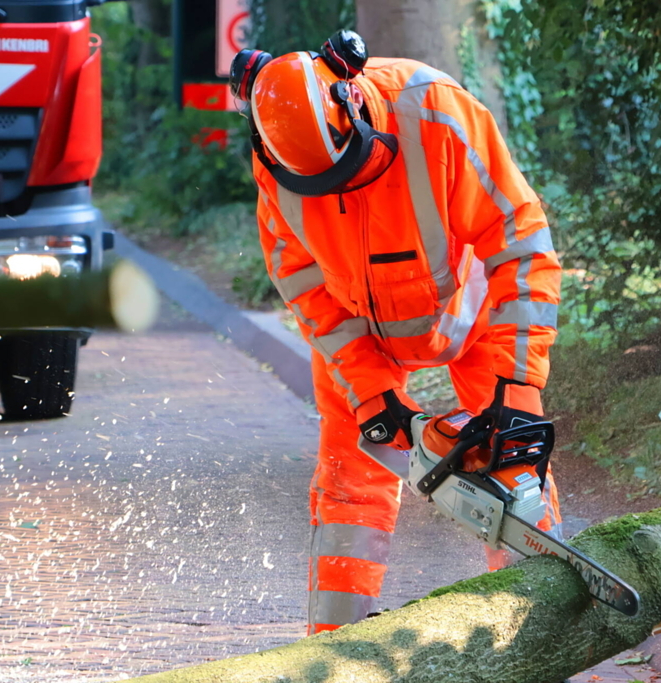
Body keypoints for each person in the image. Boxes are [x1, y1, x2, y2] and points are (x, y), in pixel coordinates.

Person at [230, 30, 562, 636]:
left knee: (511, 467)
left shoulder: (436, 114)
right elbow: (302, 282)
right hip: (361, 330)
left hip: (474, 313)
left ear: (352, 100)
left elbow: (521, 243)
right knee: (348, 485)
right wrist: (369, 390)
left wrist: (518, 388)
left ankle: (545, 627)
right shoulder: (275, 161)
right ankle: (330, 648)